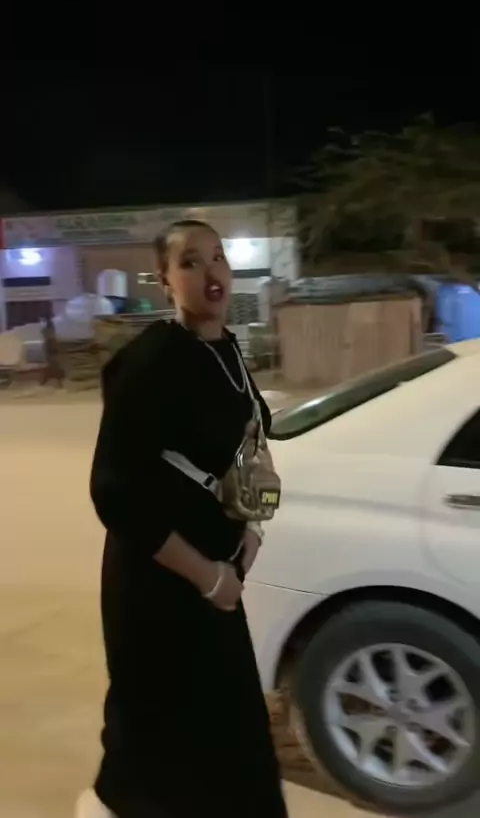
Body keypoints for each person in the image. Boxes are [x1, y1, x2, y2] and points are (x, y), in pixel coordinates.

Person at [76, 220, 288, 818]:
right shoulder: (150, 361)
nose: (210, 271)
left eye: (217, 257)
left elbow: (251, 443)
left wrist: (251, 534)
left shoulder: (227, 350)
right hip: (160, 587)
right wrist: (208, 576)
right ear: (166, 280)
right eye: (190, 262)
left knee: (233, 739)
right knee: (160, 739)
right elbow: (114, 491)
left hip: (218, 579)